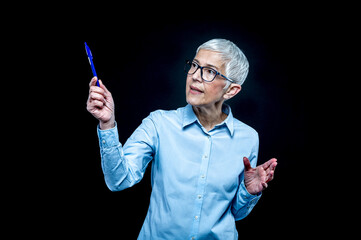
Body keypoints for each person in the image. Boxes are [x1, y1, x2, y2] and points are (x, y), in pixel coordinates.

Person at [86, 38, 277, 240]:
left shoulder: (248, 138)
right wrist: (107, 124)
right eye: (194, 66)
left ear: (231, 90)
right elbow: (118, 180)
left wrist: (249, 192)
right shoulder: (159, 124)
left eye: (210, 71)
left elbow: (237, 213)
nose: (195, 76)